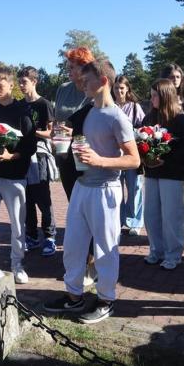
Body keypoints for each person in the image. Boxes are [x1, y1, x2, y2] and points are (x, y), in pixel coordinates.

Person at [44, 59, 140, 324]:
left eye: (87, 81)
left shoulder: (117, 117)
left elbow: (134, 160)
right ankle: (73, 297)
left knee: (106, 248)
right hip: (82, 187)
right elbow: (78, 139)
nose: (81, 84)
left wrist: (101, 161)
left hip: (106, 190)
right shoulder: (89, 111)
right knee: (73, 246)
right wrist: (63, 138)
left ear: (104, 81)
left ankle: (106, 300)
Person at [0, 65, 36, 284]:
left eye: (0, 86)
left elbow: (30, 146)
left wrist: (11, 156)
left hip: (14, 177)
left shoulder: (23, 112)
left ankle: (17, 265)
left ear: (11, 85)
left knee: (17, 225)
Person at [142, 79, 184, 270]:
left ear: (165, 96)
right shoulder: (149, 119)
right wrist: (146, 160)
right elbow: (140, 145)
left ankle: (173, 254)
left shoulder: (181, 120)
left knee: (172, 216)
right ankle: (156, 250)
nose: (152, 98)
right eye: (151, 95)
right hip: (151, 174)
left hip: (172, 176)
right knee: (151, 215)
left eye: (155, 95)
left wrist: (169, 163)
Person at [17, 66, 57, 256]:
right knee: (27, 199)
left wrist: (32, 132)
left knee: (42, 196)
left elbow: (51, 132)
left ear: (34, 81)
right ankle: (31, 236)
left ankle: (49, 237)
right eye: (19, 82)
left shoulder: (44, 104)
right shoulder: (19, 105)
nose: (21, 85)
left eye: (24, 82)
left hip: (39, 155)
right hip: (23, 155)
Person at [161, 64, 184, 246]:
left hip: (183, 155)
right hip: (164, 156)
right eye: (171, 76)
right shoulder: (159, 99)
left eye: (178, 77)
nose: (175, 80)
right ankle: (169, 232)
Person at [54, 47, 94, 198]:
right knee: (72, 198)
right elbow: (58, 119)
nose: (68, 70)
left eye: (72, 67)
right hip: (63, 150)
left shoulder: (93, 89)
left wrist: (75, 132)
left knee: (86, 198)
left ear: (84, 66)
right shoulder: (63, 89)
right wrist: (54, 133)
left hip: (85, 149)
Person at [112, 75, 145, 235]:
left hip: (131, 155)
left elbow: (144, 128)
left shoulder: (134, 107)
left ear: (127, 90)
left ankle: (135, 221)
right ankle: (117, 219)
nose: (119, 91)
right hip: (114, 156)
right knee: (116, 188)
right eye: (116, 88)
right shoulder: (109, 106)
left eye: (122, 88)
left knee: (134, 188)